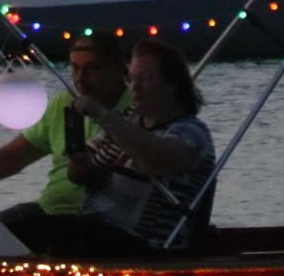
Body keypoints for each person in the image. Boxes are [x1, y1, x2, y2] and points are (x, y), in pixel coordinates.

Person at [31, 38, 216, 256]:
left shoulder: (190, 132)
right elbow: (79, 175)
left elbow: (157, 161)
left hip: (151, 244)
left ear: (171, 84)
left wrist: (101, 114)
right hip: (99, 231)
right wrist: (78, 157)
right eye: (131, 79)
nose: (135, 88)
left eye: (144, 79)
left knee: (54, 230)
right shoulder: (125, 120)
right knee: (23, 222)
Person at [0, 35, 131, 238]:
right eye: (75, 68)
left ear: (118, 68)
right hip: (48, 209)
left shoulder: (135, 110)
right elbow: (11, 158)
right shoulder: (64, 102)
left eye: (92, 69)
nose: (80, 78)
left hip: (97, 219)